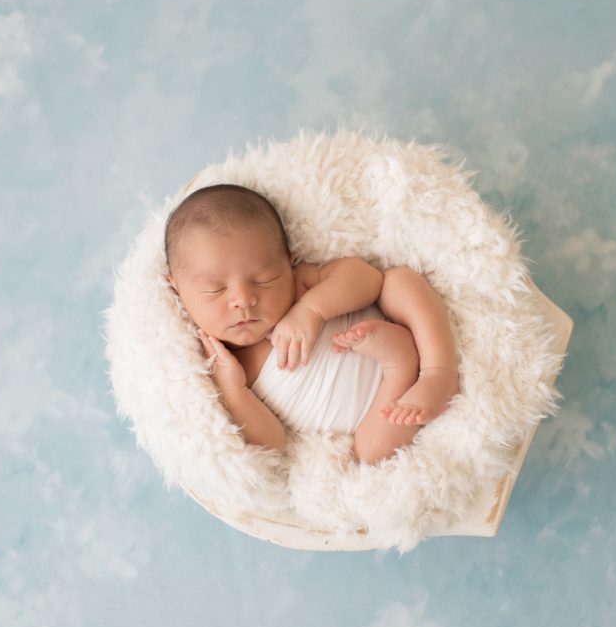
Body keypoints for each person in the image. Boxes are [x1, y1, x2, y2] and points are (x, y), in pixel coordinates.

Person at [165, 184, 459, 465]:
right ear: (176, 287)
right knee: (371, 454)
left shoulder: (300, 286)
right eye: (215, 289)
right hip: (381, 409)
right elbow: (273, 443)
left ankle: (437, 371)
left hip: (394, 330)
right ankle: (401, 365)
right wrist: (234, 390)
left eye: (265, 279)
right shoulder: (218, 364)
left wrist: (311, 310)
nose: (244, 300)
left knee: (400, 281)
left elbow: (368, 278)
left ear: (289, 264)